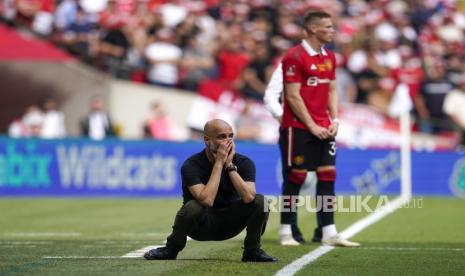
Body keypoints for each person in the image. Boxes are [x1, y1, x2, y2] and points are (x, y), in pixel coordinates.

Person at [144, 119, 277, 262]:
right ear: (207, 140)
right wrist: (219, 163)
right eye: (221, 137)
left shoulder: (244, 163)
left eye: (230, 136)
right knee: (193, 207)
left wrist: (229, 165)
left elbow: (249, 197)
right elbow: (207, 199)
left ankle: (252, 251)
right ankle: (171, 249)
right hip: (200, 225)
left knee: (260, 201)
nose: (228, 141)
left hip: (230, 223)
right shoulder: (191, 165)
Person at [278, 10, 359, 247]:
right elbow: (292, 97)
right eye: (328, 27)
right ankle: (285, 231)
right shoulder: (294, 57)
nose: (333, 31)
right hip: (298, 127)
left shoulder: (330, 57)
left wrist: (335, 120)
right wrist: (312, 126)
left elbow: (332, 90)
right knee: (296, 177)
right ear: (313, 29)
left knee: (328, 176)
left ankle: (328, 232)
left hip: (324, 126)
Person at [264, 63, 318, 245]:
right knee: (293, 178)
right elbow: (271, 96)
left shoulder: (326, 63)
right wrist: (283, 116)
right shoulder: (288, 64)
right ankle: (290, 227)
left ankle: (324, 228)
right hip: (294, 129)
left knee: (326, 177)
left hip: (319, 127)